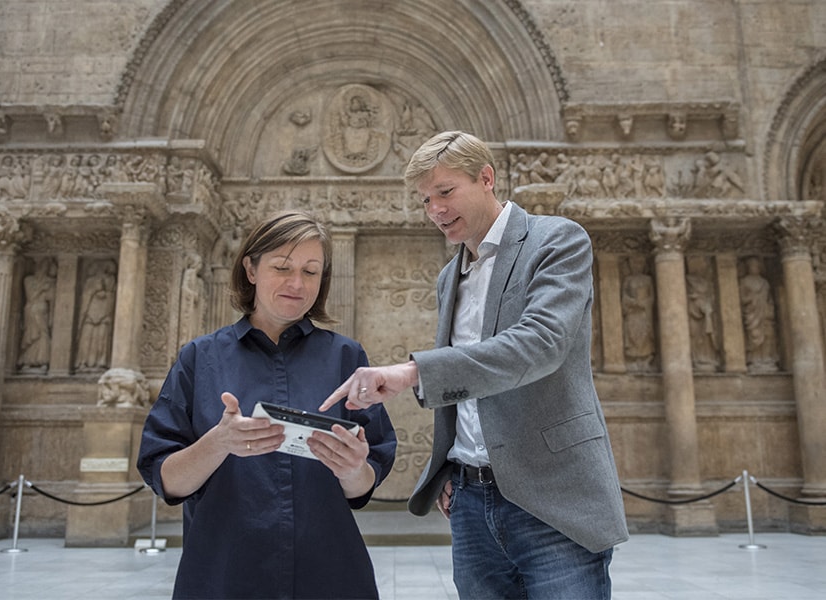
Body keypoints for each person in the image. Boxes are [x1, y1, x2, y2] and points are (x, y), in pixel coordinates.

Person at [321, 131, 628, 599]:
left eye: (445, 192)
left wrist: (413, 372)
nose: (435, 210)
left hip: (553, 502)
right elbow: (469, 386)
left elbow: (539, 344)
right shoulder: (450, 276)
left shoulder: (557, 241)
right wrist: (451, 467)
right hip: (470, 504)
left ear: (486, 178)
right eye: (425, 200)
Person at [137, 210, 396, 600]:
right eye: (282, 267)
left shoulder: (346, 357)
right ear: (251, 269)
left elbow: (363, 486)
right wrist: (219, 442)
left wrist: (354, 467)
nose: (297, 283)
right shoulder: (199, 358)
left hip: (329, 574)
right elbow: (166, 478)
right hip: (223, 574)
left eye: (311, 272)